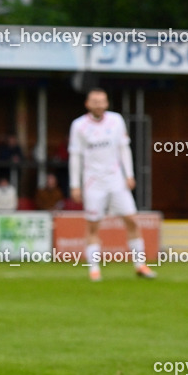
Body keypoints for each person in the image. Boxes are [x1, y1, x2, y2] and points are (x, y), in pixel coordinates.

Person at [68, 88, 156, 281]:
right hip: (93, 181)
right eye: (95, 101)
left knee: (132, 220)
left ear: (107, 103)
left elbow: (124, 149)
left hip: (116, 178)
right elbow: (75, 156)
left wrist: (129, 174)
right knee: (93, 225)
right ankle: (94, 268)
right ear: (88, 104)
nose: (99, 104)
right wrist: (75, 185)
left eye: (102, 101)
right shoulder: (79, 125)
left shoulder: (116, 120)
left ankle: (140, 265)